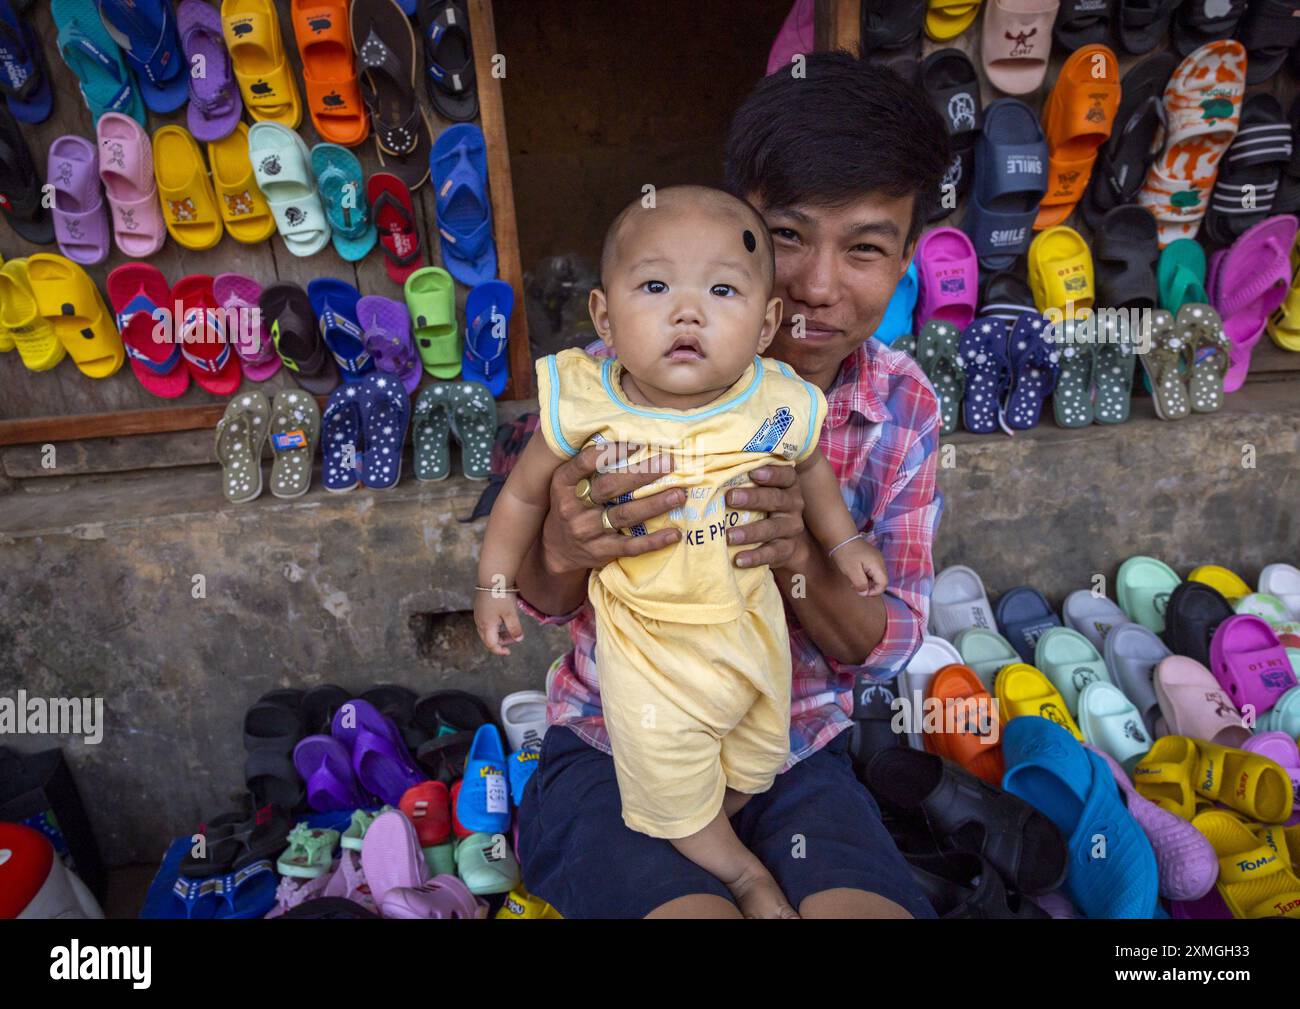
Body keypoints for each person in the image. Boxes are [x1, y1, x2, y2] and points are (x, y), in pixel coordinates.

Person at [514, 53, 950, 919]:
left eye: (865, 247)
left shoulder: (902, 406)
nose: (819, 287)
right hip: (613, 746)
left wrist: (801, 556)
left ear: (905, 259)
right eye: (786, 236)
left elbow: (882, 642)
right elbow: (539, 598)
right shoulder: (613, 385)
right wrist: (564, 541)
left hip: (791, 752)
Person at [475, 185, 889, 918]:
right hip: (645, 667)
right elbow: (520, 495)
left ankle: (720, 826)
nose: (687, 311)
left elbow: (813, 466)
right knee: (666, 779)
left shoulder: (773, 400)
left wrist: (841, 539)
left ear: (764, 324)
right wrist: (497, 580)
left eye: (721, 289)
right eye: (656, 285)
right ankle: (739, 872)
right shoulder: (587, 403)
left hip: (753, 649)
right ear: (604, 314)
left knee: (762, 756)